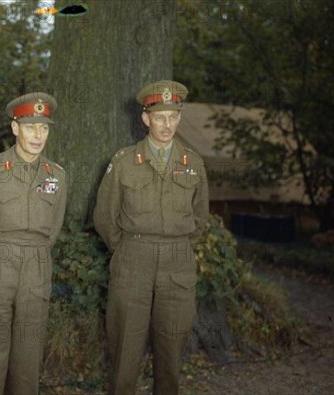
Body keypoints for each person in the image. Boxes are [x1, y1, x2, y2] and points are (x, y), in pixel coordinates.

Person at [93, 81, 209, 395]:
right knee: (125, 351)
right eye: (160, 117)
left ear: (179, 118)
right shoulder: (124, 161)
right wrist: (127, 248)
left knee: (171, 354)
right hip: (133, 259)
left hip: (177, 264)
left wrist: (176, 246)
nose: (167, 124)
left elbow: (199, 220)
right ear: (146, 119)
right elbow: (104, 216)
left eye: (173, 116)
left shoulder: (193, 164)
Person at [0, 92, 67, 394]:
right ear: (15, 128)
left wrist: (34, 255)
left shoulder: (57, 175)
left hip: (36, 266)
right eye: (31, 127)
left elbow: (53, 227)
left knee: (28, 355)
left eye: (44, 128)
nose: (38, 135)